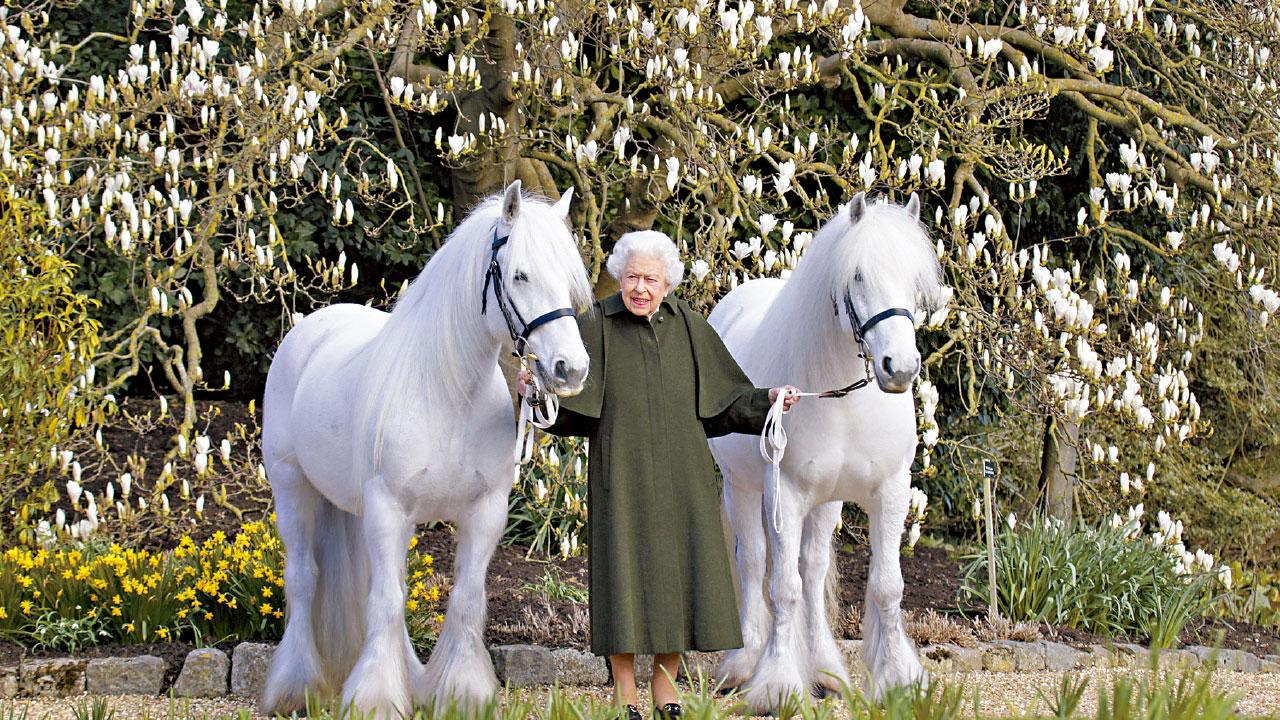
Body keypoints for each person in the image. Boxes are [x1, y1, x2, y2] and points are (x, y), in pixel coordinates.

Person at [519, 230, 798, 720]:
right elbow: (569, 408)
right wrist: (535, 393)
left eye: (650, 278)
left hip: (683, 477)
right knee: (621, 581)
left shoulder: (690, 326)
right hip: (619, 476)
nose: (640, 288)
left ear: (667, 282)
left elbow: (727, 403)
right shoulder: (597, 326)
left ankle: (665, 689)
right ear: (618, 279)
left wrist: (770, 400)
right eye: (631, 278)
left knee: (680, 581)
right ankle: (625, 693)